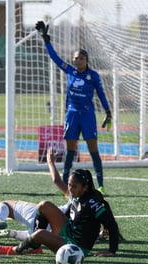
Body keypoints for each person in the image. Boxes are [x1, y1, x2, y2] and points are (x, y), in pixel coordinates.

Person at [35, 21, 112, 194]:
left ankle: (100, 185)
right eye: (76, 58)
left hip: (87, 115)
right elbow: (55, 58)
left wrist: (108, 112)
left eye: (81, 58)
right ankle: (65, 184)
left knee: (94, 151)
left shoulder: (93, 76)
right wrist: (46, 40)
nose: (77, 60)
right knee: (70, 151)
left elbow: (101, 93)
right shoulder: (69, 70)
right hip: (72, 114)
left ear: (87, 60)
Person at [5, 169, 120, 257]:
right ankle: (35, 246)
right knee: (44, 205)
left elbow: (112, 225)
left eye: (74, 186)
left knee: (40, 234)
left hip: (76, 246)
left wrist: (111, 251)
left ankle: (16, 250)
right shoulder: (77, 196)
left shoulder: (92, 204)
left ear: (84, 187)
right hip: (68, 232)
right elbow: (68, 215)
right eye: (69, 185)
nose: (70, 189)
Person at [0, 148, 70, 242]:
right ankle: (14, 234)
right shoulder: (84, 205)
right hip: (54, 233)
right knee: (35, 236)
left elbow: (57, 180)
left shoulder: (75, 196)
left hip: (40, 215)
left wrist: (50, 162)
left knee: (5, 205)